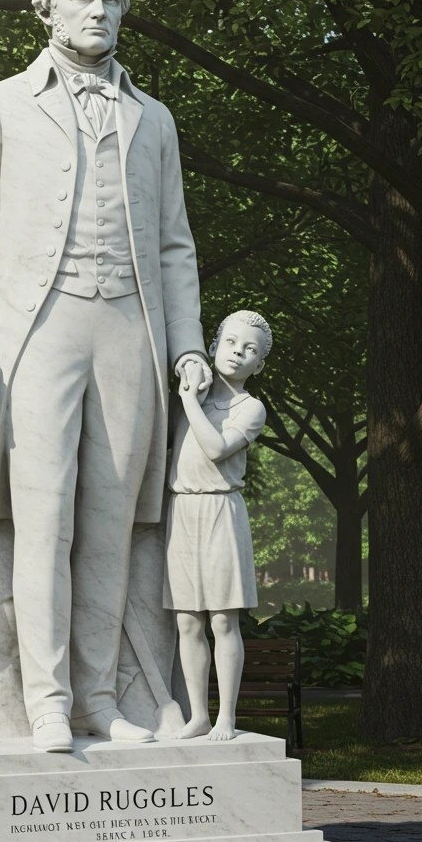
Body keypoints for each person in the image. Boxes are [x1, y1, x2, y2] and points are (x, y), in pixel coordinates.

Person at [0, 0, 211, 753]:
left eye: (113, 0)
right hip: (37, 329)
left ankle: (98, 698)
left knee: (111, 524)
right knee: (42, 520)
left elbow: (174, 247)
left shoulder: (153, 118)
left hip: (130, 329)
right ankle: (46, 699)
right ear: (47, 9)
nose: (99, 12)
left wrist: (188, 344)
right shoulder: (0, 105)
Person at [165, 310, 271, 741]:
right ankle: (198, 715)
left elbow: (215, 448)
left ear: (258, 365)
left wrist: (188, 399)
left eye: (249, 350)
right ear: (214, 346)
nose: (237, 353)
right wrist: (191, 390)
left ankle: (226, 713)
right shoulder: (196, 394)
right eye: (230, 343)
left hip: (221, 513)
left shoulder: (251, 408)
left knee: (223, 621)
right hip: (182, 511)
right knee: (188, 621)